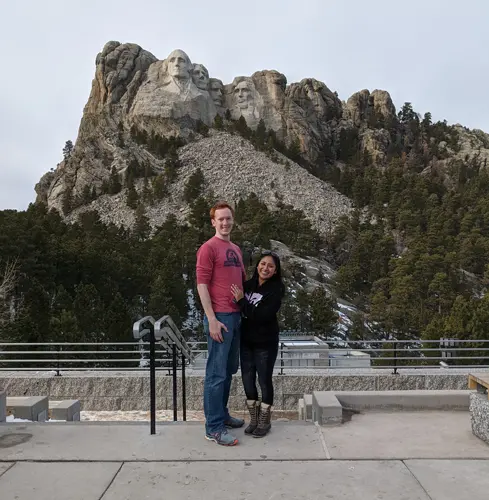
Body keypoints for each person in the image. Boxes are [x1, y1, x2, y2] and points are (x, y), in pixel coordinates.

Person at [196, 201, 247, 446]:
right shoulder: (208, 248)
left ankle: (222, 415)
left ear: (232, 220)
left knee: (228, 371)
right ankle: (213, 427)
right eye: (220, 219)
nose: (225, 223)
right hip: (221, 318)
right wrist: (212, 319)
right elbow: (202, 285)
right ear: (213, 222)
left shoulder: (235, 249)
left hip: (236, 316)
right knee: (215, 374)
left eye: (228, 218)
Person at [231, 250, 285, 438]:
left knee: (263, 380)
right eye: (263, 264)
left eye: (270, 266)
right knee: (247, 380)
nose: (265, 268)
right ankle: (254, 419)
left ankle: (264, 421)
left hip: (265, 343)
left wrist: (241, 303)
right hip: (246, 341)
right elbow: (236, 297)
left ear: (276, 271)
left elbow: (262, 316)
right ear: (258, 265)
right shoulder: (249, 285)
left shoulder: (276, 290)